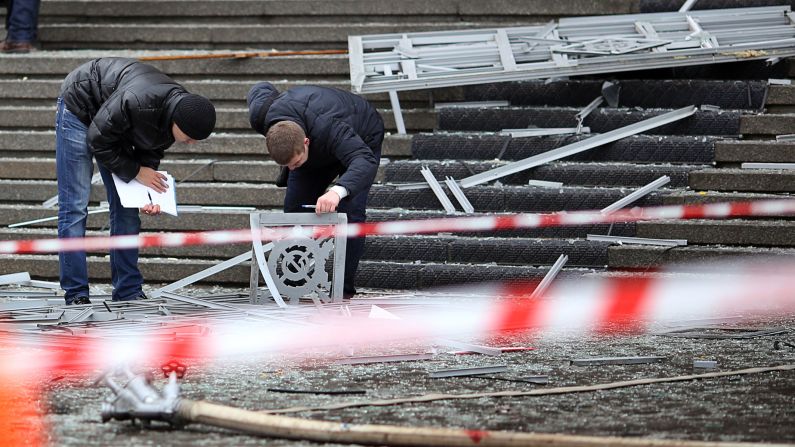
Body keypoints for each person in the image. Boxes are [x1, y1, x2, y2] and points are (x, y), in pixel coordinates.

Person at [57, 57, 216, 305]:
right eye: (190, 137)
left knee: (127, 210)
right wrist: (135, 172)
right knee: (75, 206)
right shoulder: (138, 101)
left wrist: (146, 194)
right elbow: (98, 140)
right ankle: (76, 293)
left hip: (112, 122)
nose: (191, 143)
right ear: (178, 121)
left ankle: (128, 290)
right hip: (80, 105)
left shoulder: (179, 110)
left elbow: (151, 150)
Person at [247, 82, 384, 299]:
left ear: (306, 142)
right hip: (316, 146)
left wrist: (338, 191)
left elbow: (364, 160)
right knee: (294, 210)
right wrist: (295, 166)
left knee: (351, 213)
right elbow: (260, 87)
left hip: (361, 135)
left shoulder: (330, 127)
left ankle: (343, 291)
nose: (292, 169)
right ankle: (295, 281)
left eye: (296, 162)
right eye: (288, 165)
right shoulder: (261, 115)